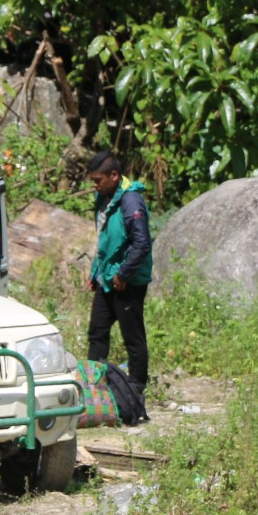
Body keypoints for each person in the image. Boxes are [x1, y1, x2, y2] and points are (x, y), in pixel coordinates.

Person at [87, 151, 152, 391]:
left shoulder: (131, 201)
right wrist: (96, 272)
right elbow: (105, 238)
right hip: (107, 278)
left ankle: (136, 389)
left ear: (114, 175)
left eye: (98, 180)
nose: (94, 185)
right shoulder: (105, 197)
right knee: (97, 331)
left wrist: (123, 274)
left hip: (128, 281)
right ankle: (94, 386)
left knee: (132, 337)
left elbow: (142, 244)